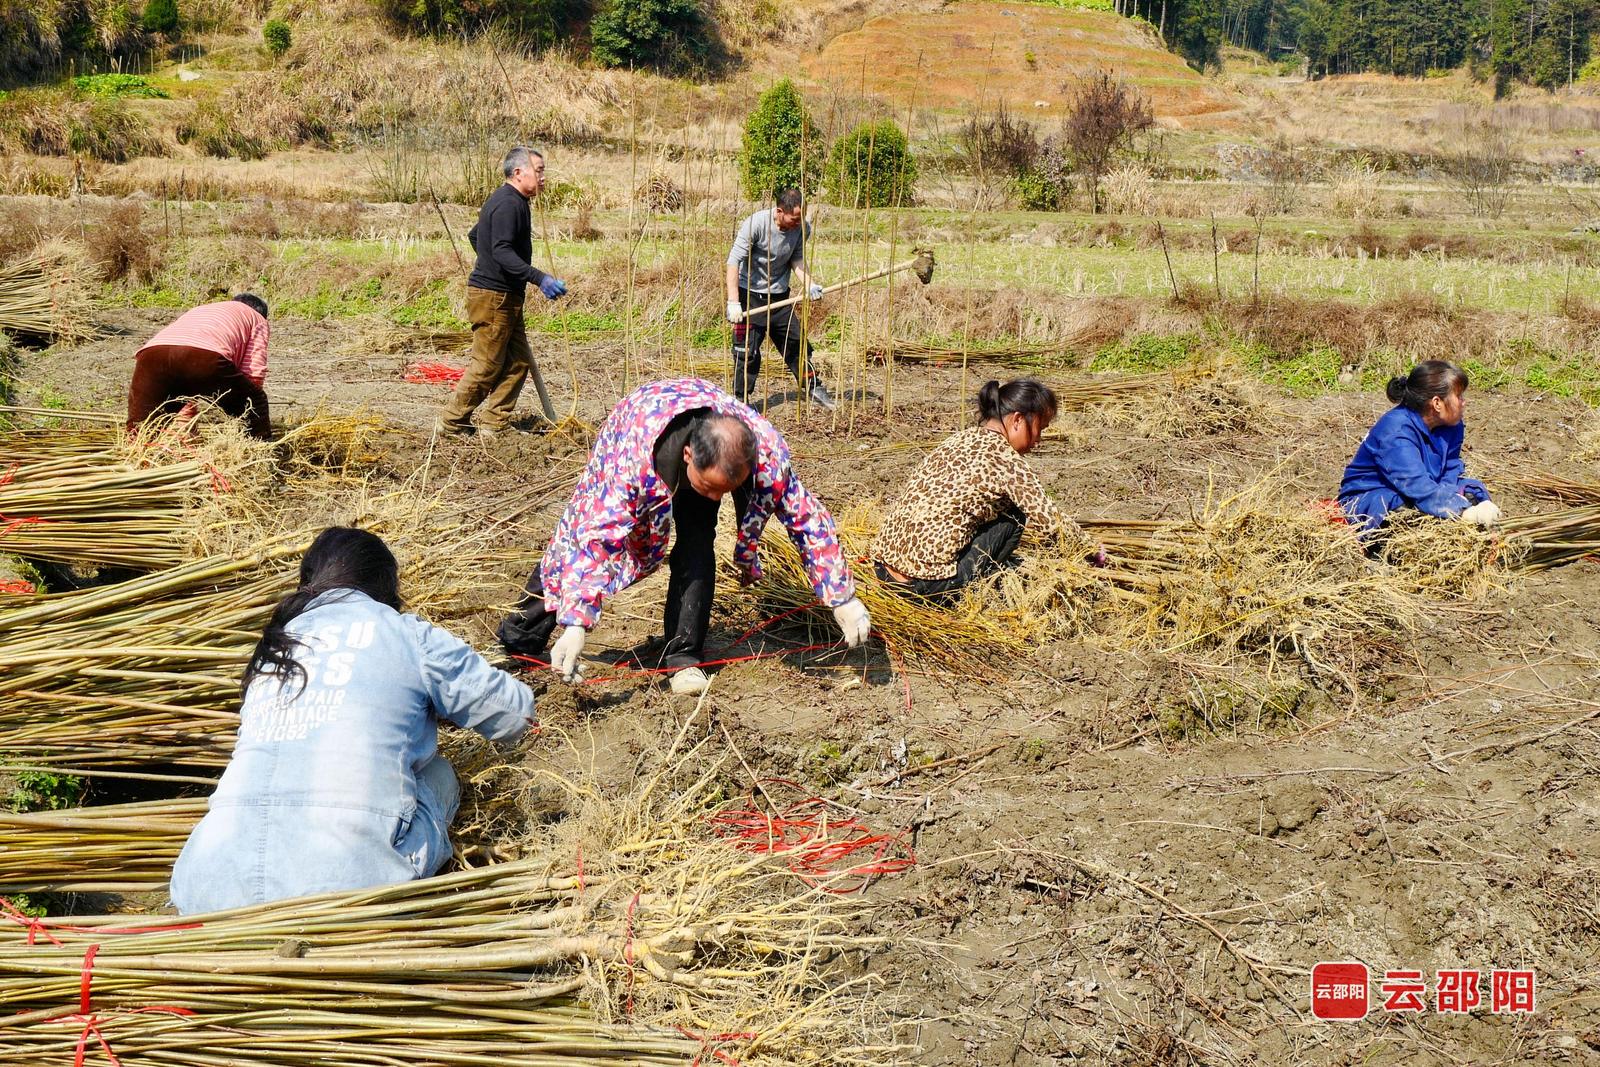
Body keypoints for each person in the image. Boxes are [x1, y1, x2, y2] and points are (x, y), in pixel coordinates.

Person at [170, 527, 535, 914]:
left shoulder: (273, 649)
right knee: (440, 774)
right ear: (386, 585)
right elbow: (514, 715)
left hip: (205, 889)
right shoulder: (406, 634)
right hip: (347, 888)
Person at [497, 377, 870, 695]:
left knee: (697, 540)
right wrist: (576, 623)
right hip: (640, 423)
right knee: (573, 540)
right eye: (708, 488)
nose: (715, 499)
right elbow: (595, 542)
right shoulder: (632, 461)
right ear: (689, 455)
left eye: (725, 491)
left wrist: (842, 597)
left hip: (708, 444)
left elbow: (808, 521)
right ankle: (519, 639)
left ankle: (683, 656)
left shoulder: (765, 454)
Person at [872, 378, 1088, 601]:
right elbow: (1053, 524)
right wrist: (1094, 553)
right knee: (1014, 514)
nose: (1039, 441)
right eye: (1039, 429)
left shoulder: (958, 439)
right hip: (924, 586)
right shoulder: (1007, 461)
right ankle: (970, 589)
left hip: (882, 571)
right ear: (1018, 420)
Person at [437, 145, 568, 439]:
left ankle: (494, 423)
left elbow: (477, 236)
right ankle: (452, 422)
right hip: (494, 298)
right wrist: (539, 277)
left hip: (505, 295)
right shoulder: (509, 204)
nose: (544, 177)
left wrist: (491, 263)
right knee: (487, 365)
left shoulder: (510, 200)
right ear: (519, 172)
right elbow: (502, 250)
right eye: (540, 170)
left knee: (518, 362)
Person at [1339, 360, 1499, 536]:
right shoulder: (1396, 431)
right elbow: (1416, 486)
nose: (1464, 402)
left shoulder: (1452, 425)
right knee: (1401, 509)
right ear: (1437, 403)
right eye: (1459, 396)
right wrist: (1463, 512)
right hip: (1376, 493)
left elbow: (1451, 469)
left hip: (1427, 485)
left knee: (1473, 491)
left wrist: (1455, 498)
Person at [726, 188, 835, 410]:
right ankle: (741, 401)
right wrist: (733, 302)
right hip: (751, 297)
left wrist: (809, 284)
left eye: (801, 218)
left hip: (779, 299)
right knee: (747, 352)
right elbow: (733, 261)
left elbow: (796, 259)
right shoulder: (756, 224)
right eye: (794, 218)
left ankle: (813, 386)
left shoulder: (802, 228)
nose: (798, 223)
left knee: (796, 344)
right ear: (779, 211)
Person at [126, 293, 272, 440]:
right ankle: (258, 453)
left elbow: (187, 384)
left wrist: (187, 426)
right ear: (261, 312)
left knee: (143, 427)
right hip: (204, 357)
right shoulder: (257, 318)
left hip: (151, 356)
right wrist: (251, 409)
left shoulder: (202, 310)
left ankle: (134, 454)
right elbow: (253, 371)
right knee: (255, 401)